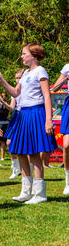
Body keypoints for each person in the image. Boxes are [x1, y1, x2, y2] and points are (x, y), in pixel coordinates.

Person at [0, 43, 56, 204]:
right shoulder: (24, 74)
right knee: (20, 151)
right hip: (21, 114)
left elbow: (47, 96)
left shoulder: (40, 71)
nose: (21, 56)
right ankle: (26, 191)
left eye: (24, 54)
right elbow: (16, 93)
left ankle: (40, 193)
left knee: (34, 154)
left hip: (35, 113)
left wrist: (48, 119)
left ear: (34, 55)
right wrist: (1, 80)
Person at [0, 70, 24, 179]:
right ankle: (15, 169)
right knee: (9, 142)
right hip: (16, 116)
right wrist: (2, 101)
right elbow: (11, 108)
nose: (18, 80)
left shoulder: (27, 89)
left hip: (25, 115)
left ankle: (27, 169)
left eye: (19, 77)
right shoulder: (14, 92)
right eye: (16, 78)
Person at [51, 63, 69, 194]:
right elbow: (55, 89)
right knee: (66, 145)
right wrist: (66, 79)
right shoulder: (67, 67)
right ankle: (68, 181)